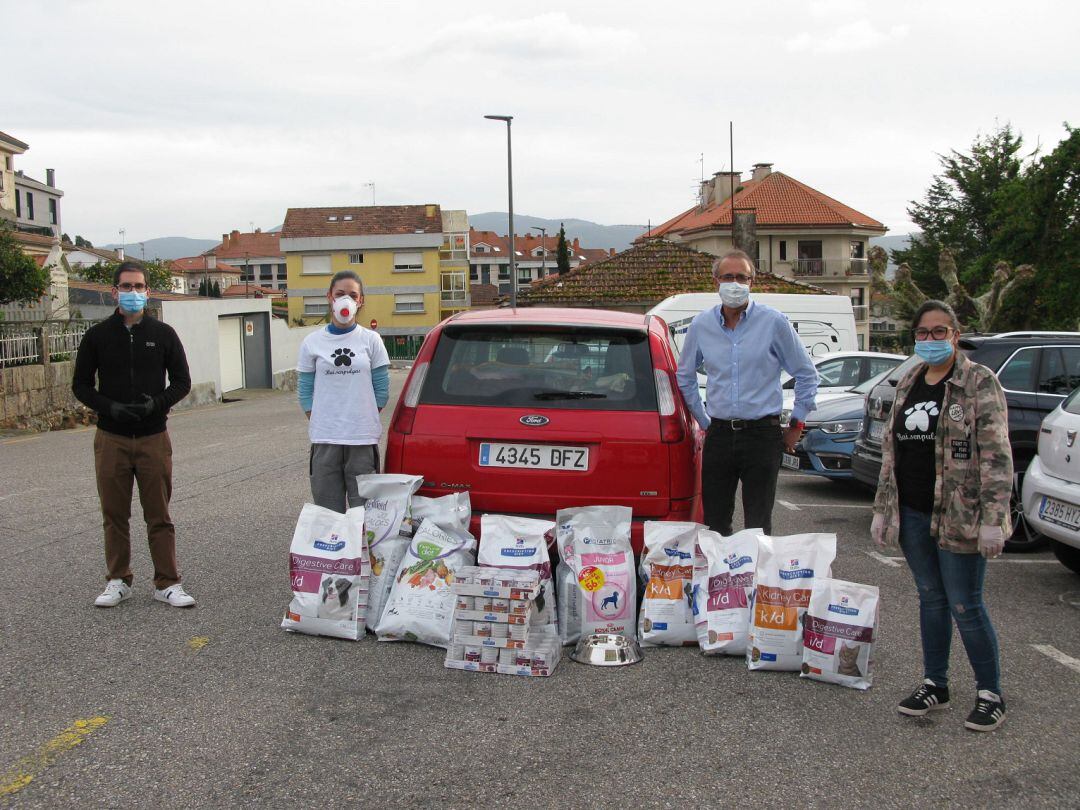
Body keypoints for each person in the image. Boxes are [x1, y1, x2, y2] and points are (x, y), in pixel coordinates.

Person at [871, 300, 1011, 732]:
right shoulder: (911, 378)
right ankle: (936, 682)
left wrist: (994, 516)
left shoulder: (977, 382)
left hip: (960, 514)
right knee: (930, 598)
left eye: (939, 331)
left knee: (966, 604)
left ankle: (990, 693)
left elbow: (996, 454)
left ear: (955, 333)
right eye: (923, 333)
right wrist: (883, 510)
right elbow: (893, 454)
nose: (930, 340)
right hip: (913, 512)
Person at [72, 260, 194, 608]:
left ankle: (168, 583)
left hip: (154, 436)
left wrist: (155, 404)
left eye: (139, 287)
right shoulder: (97, 336)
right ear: (114, 292)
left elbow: (182, 382)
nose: (133, 293)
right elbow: (81, 385)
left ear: (148, 291)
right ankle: (117, 580)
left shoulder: (163, 335)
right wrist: (109, 407)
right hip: (111, 437)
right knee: (114, 513)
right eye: (126, 287)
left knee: (159, 514)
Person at [676, 250, 818, 535]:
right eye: (728, 276)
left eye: (742, 277)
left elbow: (806, 374)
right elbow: (685, 375)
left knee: (758, 524)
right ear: (716, 281)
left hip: (762, 436)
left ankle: (755, 578)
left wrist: (797, 423)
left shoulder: (774, 322)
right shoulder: (701, 325)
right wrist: (704, 421)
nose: (735, 283)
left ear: (752, 282)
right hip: (719, 435)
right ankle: (720, 578)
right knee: (714, 523)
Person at [297, 270, 390, 512]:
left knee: (365, 512)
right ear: (330, 297)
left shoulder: (372, 340)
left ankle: (361, 551)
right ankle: (334, 549)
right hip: (325, 439)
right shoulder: (312, 342)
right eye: (340, 294)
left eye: (352, 294)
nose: (345, 299)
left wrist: (362, 414)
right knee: (328, 512)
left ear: (360, 301)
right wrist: (318, 418)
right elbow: (305, 390)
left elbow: (382, 390)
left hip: (362, 439)